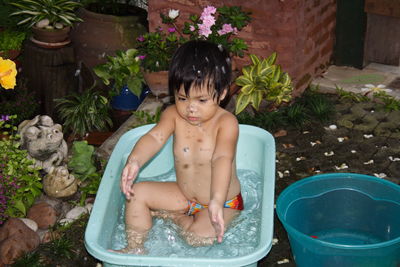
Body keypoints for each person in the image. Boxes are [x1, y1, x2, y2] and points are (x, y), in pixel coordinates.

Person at [119, 40, 243, 254]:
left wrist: (216, 200)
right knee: (136, 194)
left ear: (222, 93)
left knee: (196, 238)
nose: (191, 109)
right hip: (185, 196)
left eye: (202, 100)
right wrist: (135, 160)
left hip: (223, 202)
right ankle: (135, 249)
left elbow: (222, 159)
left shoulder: (226, 123)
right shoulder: (173, 115)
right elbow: (154, 138)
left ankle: (177, 219)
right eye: (182, 98)